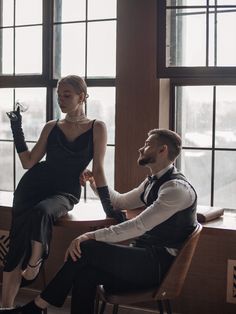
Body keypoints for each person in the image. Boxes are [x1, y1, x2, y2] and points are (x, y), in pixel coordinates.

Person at [0, 128, 198, 314]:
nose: (141, 148)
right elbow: (119, 201)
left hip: (160, 267)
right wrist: (94, 184)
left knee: (86, 248)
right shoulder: (152, 181)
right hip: (144, 256)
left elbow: (138, 226)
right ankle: (37, 307)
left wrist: (89, 235)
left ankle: (36, 307)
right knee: (85, 274)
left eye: (147, 144)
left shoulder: (175, 189)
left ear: (162, 150)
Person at [1, 75, 124, 310]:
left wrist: (110, 209)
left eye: (67, 95)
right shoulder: (52, 126)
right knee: (16, 248)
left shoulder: (97, 127)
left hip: (65, 191)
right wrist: (17, 129)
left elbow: (98, 170)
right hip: (32, 187)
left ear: (83, 96)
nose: (61, 100)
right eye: (59, 96)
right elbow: (28, 162)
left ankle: (36, 261)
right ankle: (6, 308)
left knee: (42, 212)